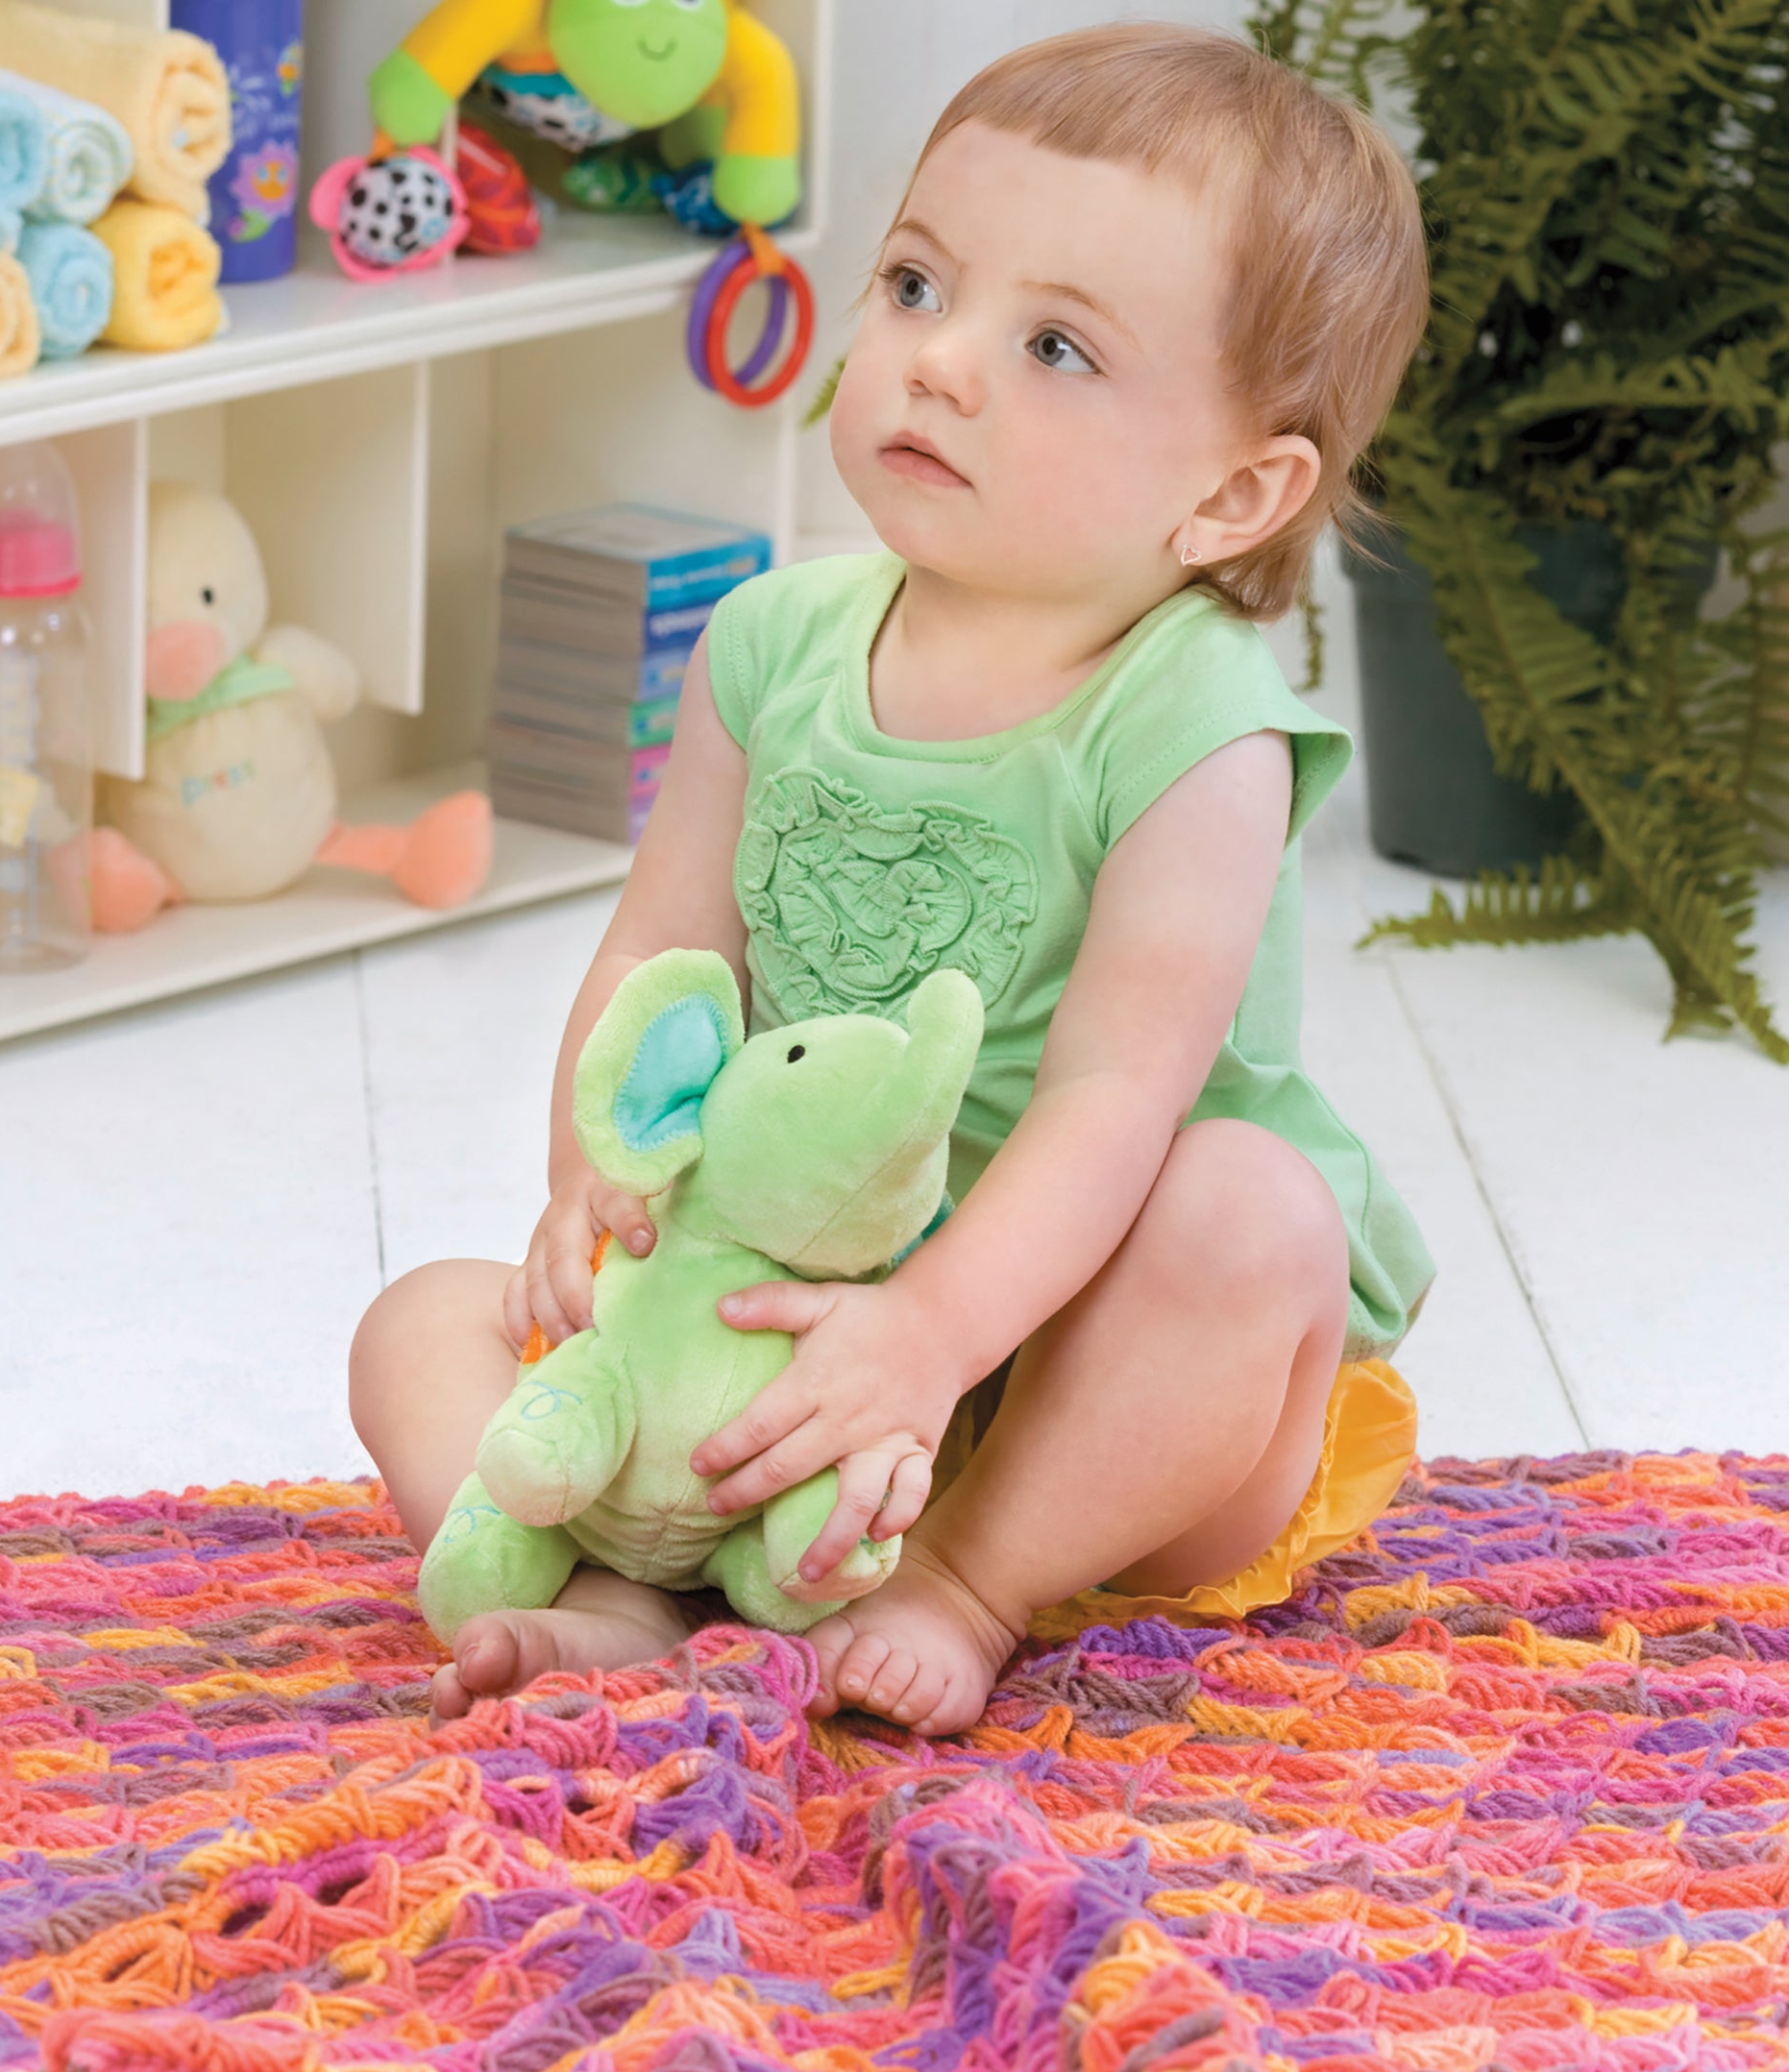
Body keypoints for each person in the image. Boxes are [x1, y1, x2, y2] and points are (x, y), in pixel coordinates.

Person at [351, 23, 1436, 1740]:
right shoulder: (772, 640)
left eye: (1057, 344)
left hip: (1082, 1384)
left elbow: (1110, 1100)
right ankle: (627, 1587)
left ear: (1235, 491)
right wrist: (594, 1194)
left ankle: (970, 1580)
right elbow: (663, 957)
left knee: (1247, 1215)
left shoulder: (1196, 726)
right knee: (415, 1327)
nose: (939, 364)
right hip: (769, 1340)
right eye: (918, 284)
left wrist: (931, 1335)